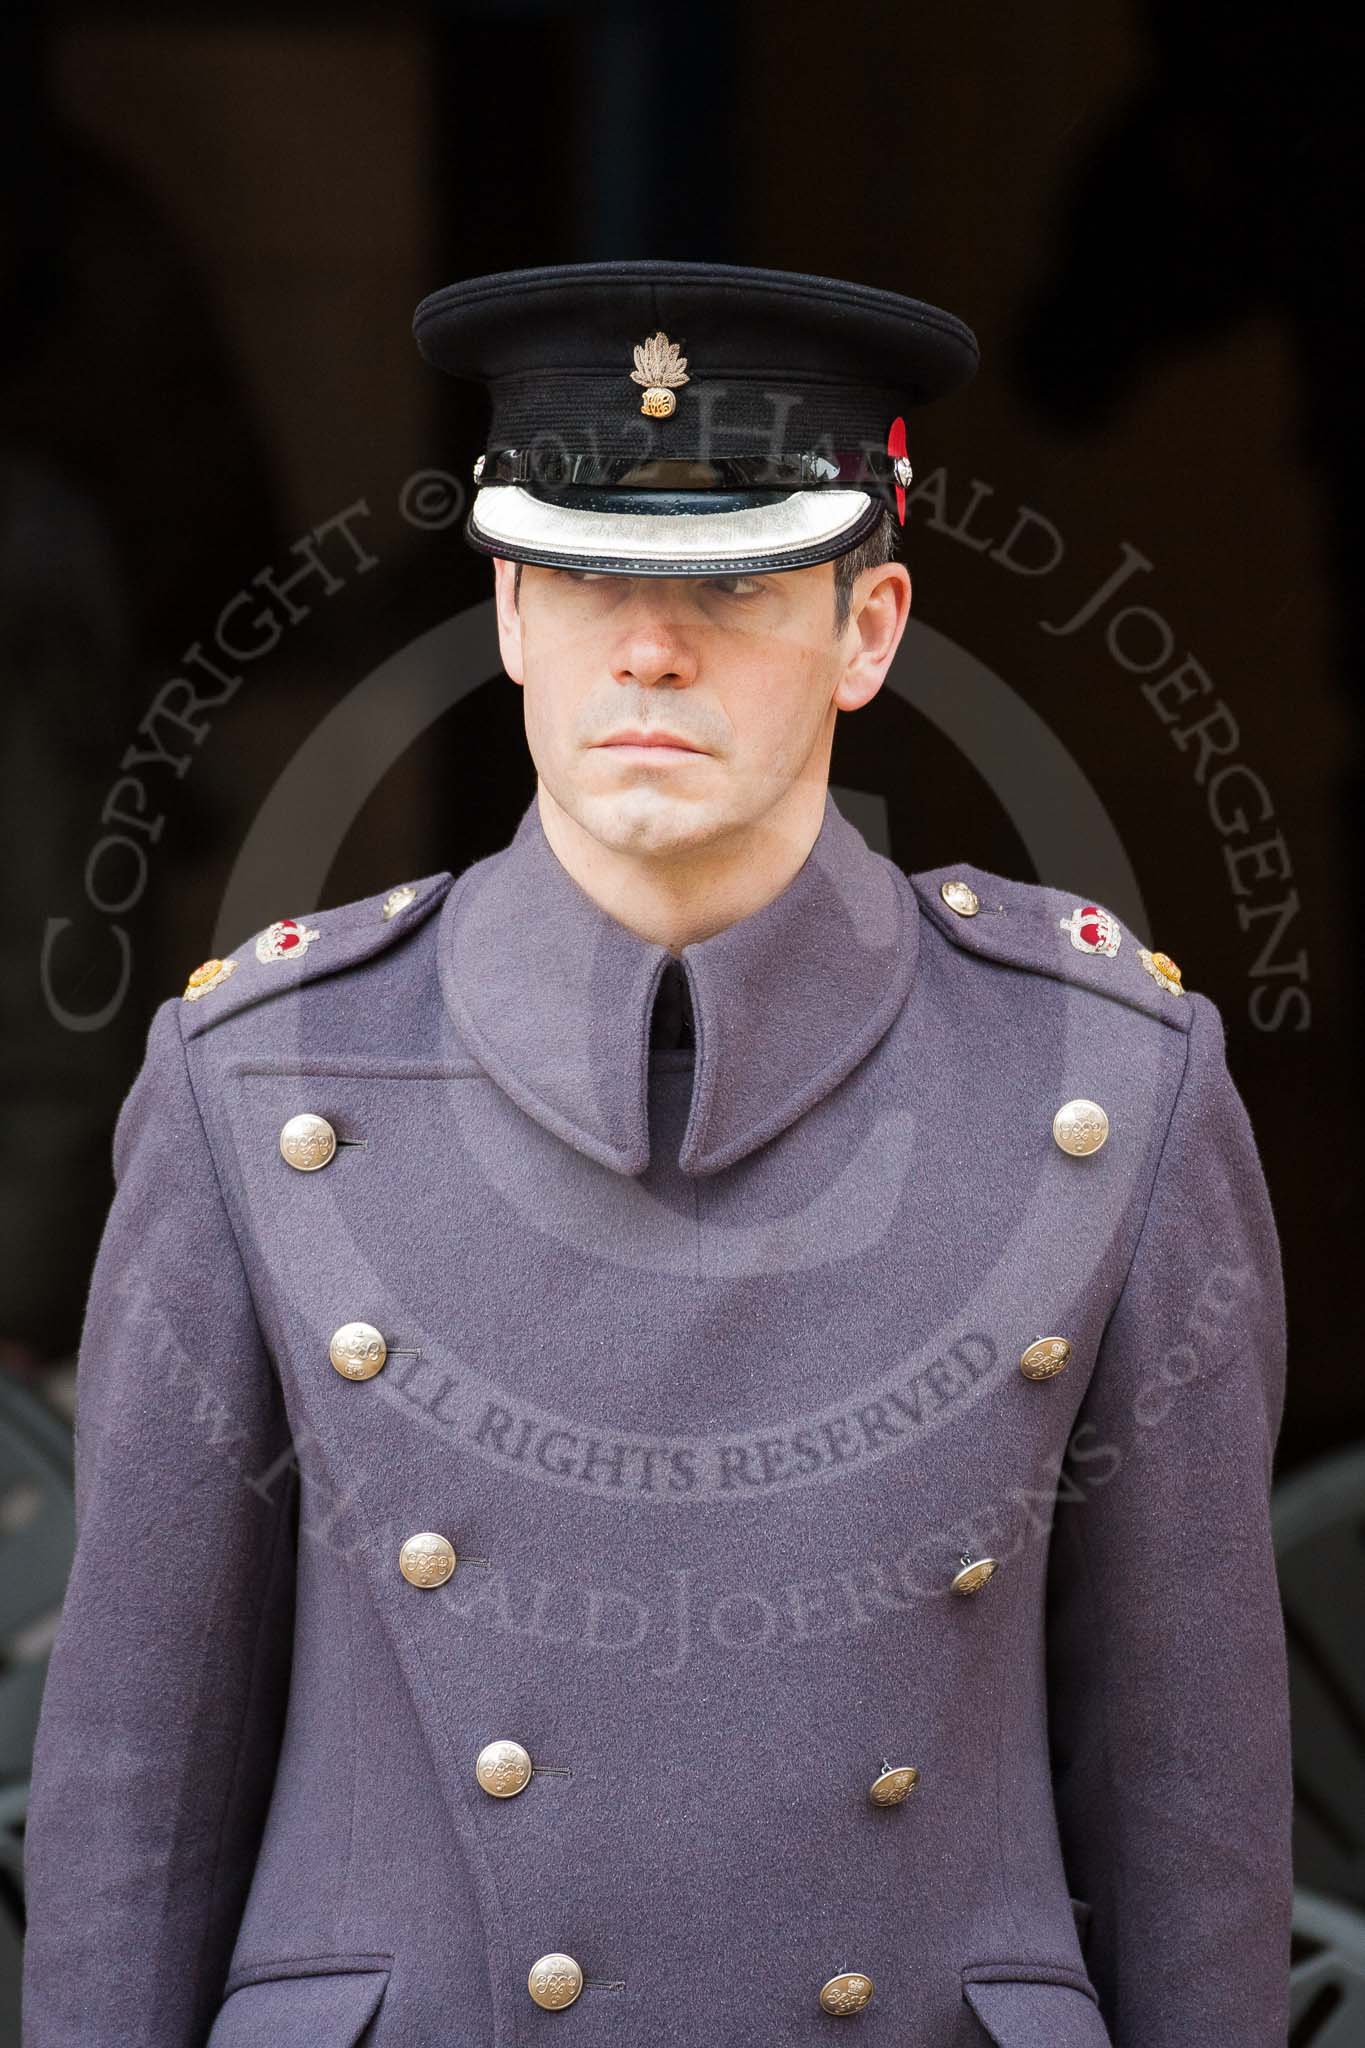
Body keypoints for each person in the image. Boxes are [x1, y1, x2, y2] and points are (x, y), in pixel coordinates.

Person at [21, 259, 1292, 2048]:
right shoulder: (266, 1078)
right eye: (587, 575)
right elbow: (134, 1792)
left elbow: (1193, 1803)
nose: (649, 644)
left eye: (740, 581)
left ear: (869, 632)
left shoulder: (1104, 1083)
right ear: (513, 614)